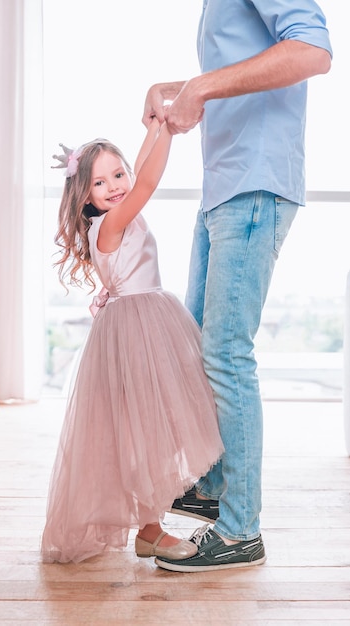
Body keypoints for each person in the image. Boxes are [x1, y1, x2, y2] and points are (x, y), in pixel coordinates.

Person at [142, 0, 333, 572]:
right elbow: (240, 67)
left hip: (254, 182)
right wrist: (176, 88)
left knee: (226, 351)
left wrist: (198, 85)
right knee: (201, 346)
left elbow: (312, 50)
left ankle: (241, 529)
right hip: (225, 186)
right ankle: (215, 488)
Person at [40, 117, 224, 564]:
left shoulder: (117, 214)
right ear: (85, 195)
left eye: (117, 174)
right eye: (100, 182)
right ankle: (151, 530)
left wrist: (157, 126)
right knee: (145, 430)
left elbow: (139, 169)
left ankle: (154, 522)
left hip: (143, 319)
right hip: (137, 328)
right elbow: (146, 182)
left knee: (155, 425)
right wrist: (173, 132)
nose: (115, 186)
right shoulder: (111, 222)